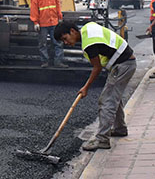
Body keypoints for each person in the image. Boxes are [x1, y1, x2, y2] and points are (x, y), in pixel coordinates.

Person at [54, 21, 136, 151]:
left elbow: (97, 67)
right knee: (114, 97)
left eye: (65, 38)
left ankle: (102, 139)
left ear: (72, 31)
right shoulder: (87, 28)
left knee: (106, 101)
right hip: (125, 62)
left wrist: (86, 87)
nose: (66, 43)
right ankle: (120, 128)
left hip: (123, 65)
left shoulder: (89, 44)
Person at [30, 0, 67, 68]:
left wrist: (60, 17)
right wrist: (35, 22)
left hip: (54, 21)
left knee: (58, 42)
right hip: (42, 23)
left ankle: (58, 62)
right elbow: (34, 9)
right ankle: (45, 62)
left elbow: (57, 5)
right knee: (43, 44)